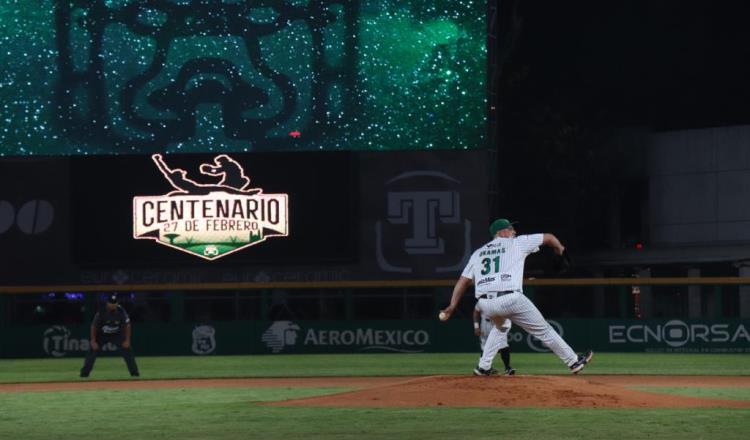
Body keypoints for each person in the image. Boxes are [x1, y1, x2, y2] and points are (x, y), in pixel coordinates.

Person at [440, 218, 593, 376]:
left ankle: (483, 367)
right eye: (511, 229)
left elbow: (462, 281)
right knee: (544, 331)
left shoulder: (478, 253)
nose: (514, 232)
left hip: (485, 304)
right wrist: (561, 250)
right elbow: (549, 237)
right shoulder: (517, 243)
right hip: (510, 298)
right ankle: (573, 361)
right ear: (501, 232)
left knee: (501, 327)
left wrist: (452, 306)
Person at [80, 293, 140, 378]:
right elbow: (94, 326)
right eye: (111, 303)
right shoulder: (101, 311)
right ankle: (84, 374)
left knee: (127, 349)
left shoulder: (121, 311)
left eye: (115, 303)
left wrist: (127, 340)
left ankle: (134, 373)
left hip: (117, 334)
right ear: (107, 303)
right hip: (102, 334)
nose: (113, 305)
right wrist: (93, 341)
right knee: (92, 350)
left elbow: (127, 325)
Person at [473, 304, 515, 375]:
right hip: (487, 324)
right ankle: (481, 368)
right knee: (485, 346)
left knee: (503, 344)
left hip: (499, 322)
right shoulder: (483, 299)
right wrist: (476, 326)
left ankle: (507, 368)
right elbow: (476, 312)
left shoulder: (501, 298)